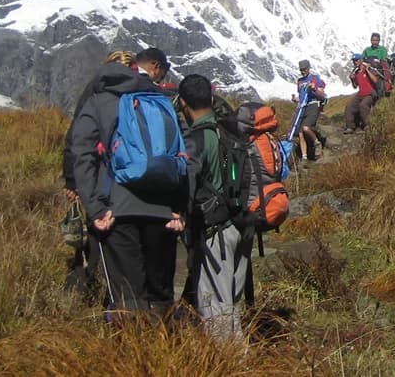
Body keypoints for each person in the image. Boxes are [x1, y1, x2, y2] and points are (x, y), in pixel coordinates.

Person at [68, 47, 186, 315]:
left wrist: (95, 208)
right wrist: (179, 207)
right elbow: (182, 151)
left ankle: (131, 354)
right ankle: (168, 352)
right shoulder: (159, 97)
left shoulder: (99, 99)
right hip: (163, 208)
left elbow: (82, 154)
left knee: (127, 299)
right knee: (161, 295)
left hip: (116, 209)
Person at [179, 74, 253, 340]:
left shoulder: (197, 138)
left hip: (214, 233)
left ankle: (229, 366)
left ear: (183, 104)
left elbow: (187, 181)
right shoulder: (230, 131)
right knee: (230, 305)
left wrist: (179, 215)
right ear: (211, 98)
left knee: (215, 308)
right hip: (240, 225)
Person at [61, 50, 136, 299]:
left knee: (96, 231)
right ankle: (111, 292)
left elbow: (77, 137)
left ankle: (94, 290)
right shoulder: (140, 92)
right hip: (127, 180)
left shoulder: (95, 91)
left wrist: (72, 179)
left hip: (95, 175)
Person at [292, 59, 329, 161]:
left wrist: (314, 89)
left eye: (304, 69)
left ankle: (317, 143)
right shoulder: (300, 81)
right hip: (302, 107)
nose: (302, 71)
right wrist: (296, 100)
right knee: (300, 133)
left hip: (313, 105)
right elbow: (301, 96)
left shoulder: (315, 79)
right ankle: (304, 157)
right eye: (301, 70)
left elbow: (322, 96)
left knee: (306, 128)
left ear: (308, 68)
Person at [343, 53, 377, 133]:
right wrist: (352, 79)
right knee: (349, 106)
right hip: (361, 93)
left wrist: (368, 70)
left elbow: (375, 80)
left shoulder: (369, 68)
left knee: (363, 105)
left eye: (357, 60)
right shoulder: (357, 72)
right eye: (354, 61)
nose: (355, 62)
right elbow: (355, 86)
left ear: (361, 60)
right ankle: (350, 127)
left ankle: (367, 125)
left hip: (370, 93)